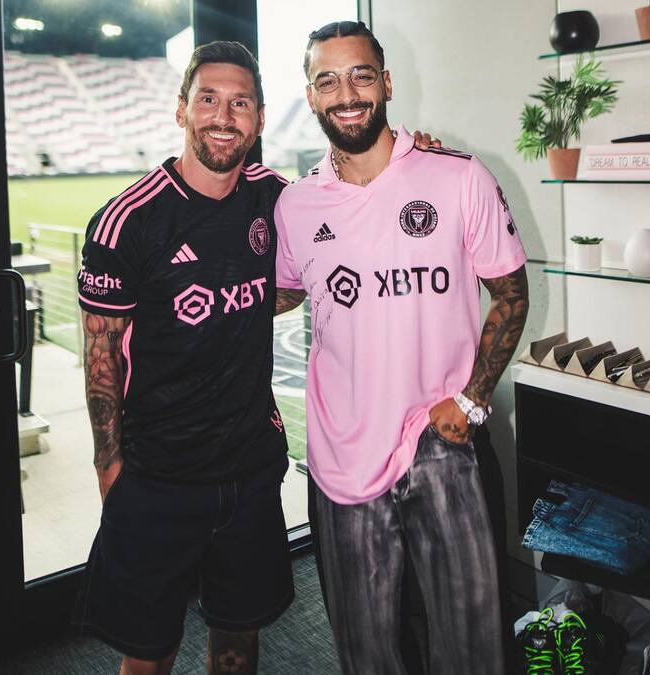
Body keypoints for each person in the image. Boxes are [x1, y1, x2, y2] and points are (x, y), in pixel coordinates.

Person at [72, 40, 441, 675]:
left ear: (261, 118)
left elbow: (340, 215)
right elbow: (101, 355)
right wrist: (109, 467)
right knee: (148, 655)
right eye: (208, 100)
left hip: (249, 470)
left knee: (238, 640)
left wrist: (416, 165)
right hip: (159, 476)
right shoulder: (127, 221)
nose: (223, 116)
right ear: (181, 109)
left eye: (240, 103)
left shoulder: (277, 198)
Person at [273, 21, 530, 675]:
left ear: (386, 83)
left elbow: (511, 293)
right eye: (328, 80)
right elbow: (281, 293)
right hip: (343, 457)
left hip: (442, 447)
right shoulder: (295, 206)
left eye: (361, 75)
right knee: (367, 651)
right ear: (311, 94)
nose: (346, 94)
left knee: (471, 649)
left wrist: (472, 399)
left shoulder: (458, 177)